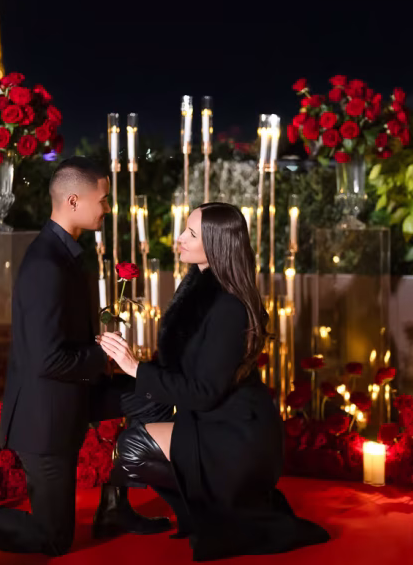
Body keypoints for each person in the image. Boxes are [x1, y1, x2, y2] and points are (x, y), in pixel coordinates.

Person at [0, 156, 174, 556]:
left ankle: (114, 506)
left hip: (74, 393)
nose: (109, 208)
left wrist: (109, 355)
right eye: (104, 199)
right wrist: (105, 355)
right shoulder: (47, 264)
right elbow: (49, 361)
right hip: (46, 417)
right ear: (74, 201)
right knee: (52, 538)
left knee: (154, 394)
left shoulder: (67, 254)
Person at [98, 202, 330, 561]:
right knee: (139, 404)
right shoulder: (198, 288)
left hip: (236, 433)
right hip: (214, 417)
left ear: (217, 244)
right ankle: (154, 510)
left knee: (133, 447)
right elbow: (183, 369)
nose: (180, 238)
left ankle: (209, 513)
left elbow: (204, 392)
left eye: (191, 234)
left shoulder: (228, 307)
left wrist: (135, 367)